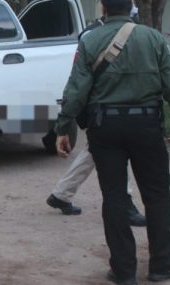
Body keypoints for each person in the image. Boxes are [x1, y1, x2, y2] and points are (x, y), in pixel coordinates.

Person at [54, 0, 170, 285]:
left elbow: (76, 90)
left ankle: (123, 271)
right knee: (157, 195)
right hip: (146, 127)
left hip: (105, 129)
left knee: (113, 198)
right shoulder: (154, 39)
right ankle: (162, 264)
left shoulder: (89, 41)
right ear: (131, 6)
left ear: (104, 8)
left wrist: (63, 128)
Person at [46, 12, 146, 227]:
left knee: (94, 150)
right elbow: (82, 78)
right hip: (100, 108)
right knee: (118, 149)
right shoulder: (94, 35)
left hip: (100, 107)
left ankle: (61, 194)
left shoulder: (94, 33)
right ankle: (125, 204)